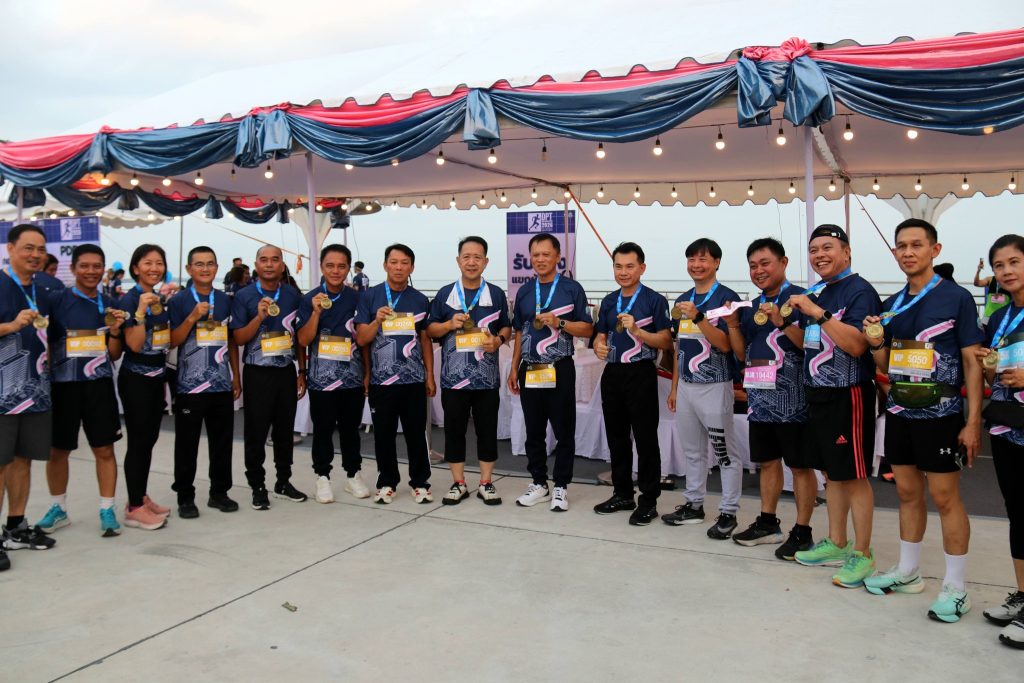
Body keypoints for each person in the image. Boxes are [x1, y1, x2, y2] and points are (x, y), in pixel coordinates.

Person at [860, 219, 983, 623]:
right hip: (899, 411)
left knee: (946, 498)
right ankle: (908, 571)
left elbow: (971, 361)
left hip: (941, 413)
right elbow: (885, 365)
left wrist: (973, 421)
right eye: (902, 246)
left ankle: (956, 587)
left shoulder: (957, 297)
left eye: (916, 244)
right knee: (907, 493)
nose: (908, 252)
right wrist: (876, 342)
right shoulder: (892, 303)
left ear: (935, 249)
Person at [788, 225, 881, 588]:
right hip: (817, 392)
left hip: (848, 393)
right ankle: (837, 541)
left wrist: (818, 312)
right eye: (813, 250)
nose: (819, 255)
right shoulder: (818, 290)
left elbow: (857, 345)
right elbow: (806, 342)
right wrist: (783, 322)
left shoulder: (860, 291)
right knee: (832, 471)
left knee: (854, 474)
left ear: (846, 252)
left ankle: (863, 552)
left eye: (828, 247)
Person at [725, 238, 818, 559]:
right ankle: (768, 522)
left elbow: (810, 346)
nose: (758, 270)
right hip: (759, 397)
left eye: (765, 263)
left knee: (800, 466)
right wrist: (733, 325)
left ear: (783, 263)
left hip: (794, 399)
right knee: (767, 461)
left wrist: (782, 320)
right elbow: (742, 353)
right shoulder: (751, 307)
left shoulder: (803, 299)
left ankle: (803, 531)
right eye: (753, 266)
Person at [37, 244, 128, 537]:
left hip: (99, 387)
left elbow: (114, 354)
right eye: (85, 266)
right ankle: (58, 508)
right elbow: (45, 342)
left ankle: (107, 509)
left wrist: (116, 331)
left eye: (96, 266)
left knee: (104, 449)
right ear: (74, 268)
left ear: (103, 269)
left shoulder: (110, 304)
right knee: (58, 451)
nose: (91, 271)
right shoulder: (56, 300)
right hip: (63, 387)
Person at [662, 238, 743, 539]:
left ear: (717, 263)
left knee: (724, 453)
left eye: (703, 259)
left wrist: (698, 316)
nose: (697, 265)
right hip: (686, 386)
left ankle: (729, 511)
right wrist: (674, 388)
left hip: (715, 385)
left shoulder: (726, 299)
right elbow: (679, 349)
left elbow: (726, 345)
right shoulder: (683, 298)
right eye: (692, 259)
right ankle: (693, 504)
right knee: (692, 451)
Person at [508, 234, 594, 511]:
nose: (540, 259)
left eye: (546, 254)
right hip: (530, 369)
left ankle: (560, 486)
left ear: (557, 256)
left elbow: (588, 328)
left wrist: (560, 322)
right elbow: (519, 332)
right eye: (536, 255)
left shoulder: (571, 289)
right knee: (534, 430)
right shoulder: (524, 291)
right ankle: (538, 483)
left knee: (563, 430)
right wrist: (514, 367)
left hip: (560, 367)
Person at [591, 242, 672, 525]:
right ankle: (622, 493)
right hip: (613, 373)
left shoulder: (654, 300)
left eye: (629, 266)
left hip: (641, 373)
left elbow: (666, 341)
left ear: (642, 268)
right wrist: (598, 345)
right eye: (618, 266)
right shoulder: (609, 301)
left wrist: (637, 330)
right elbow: (600, 335)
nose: (623, 272)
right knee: (616, 437)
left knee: (645, 438)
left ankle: (648, 501)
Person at [426, 236, 511, 506]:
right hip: (454, 379)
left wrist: (498, 341)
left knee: (487, 431)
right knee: (454, 431)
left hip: (486, 379)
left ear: (486, 262)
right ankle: (458, 483)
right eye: (466, 257)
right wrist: (449, 324)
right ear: (458, 260)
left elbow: (507, 326)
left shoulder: (495, 294)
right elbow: (430, 330)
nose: (471, 262)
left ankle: (486, 482)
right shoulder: (445, 294)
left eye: (477, 257)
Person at [354, 244, 435, 504]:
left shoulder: (420, 300)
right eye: (394, 262)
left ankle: (420, 482)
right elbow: (361, 339)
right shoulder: (370, 297)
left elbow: (425, 340)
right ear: (385, 265)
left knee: (416, 434)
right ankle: (387, 482)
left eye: (404, 262)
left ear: (412, 267)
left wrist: (429, 375)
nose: (399, 267)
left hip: (413, 380)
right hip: (382, 381)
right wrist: (376, 321)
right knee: (384, 434)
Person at [230, 245, 308, 510]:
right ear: (256, 265)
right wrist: (259, 317)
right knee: (256, 432)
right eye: (264, 260)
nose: (269, 264)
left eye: (275, 260)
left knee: (285, 432)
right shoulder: (244, 296)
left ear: (282, 265)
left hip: (285, 371)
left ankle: (283, 481)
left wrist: (301, 371)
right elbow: (238, 338)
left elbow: (299, 337)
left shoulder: (292, 295)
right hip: (257, 372)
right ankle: (257, 486)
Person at [0, 224, 58, 568]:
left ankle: (16, 526)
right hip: (2, 394)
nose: (35, 255)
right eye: (28, 248)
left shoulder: (44, 289)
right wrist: (10, 326)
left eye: (40, 249)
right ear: (10, 248)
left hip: (35, 391)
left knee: (23, 460)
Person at [168, 246, 241, 518]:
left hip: (220, 383)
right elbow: (172, 341)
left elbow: (230, 340)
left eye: (210, 263)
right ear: (189, 269)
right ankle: (185, 496)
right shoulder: (179, 301)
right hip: (190, 385)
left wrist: (235, 376)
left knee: (221, 442)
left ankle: (219, 492)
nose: (205, 268)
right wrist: (192, 317)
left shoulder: (225, 300)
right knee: (186, 443)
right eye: (199, 264)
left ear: (217, 268)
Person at [976, 234, 1024, 648]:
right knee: (1017, 513)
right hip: (1008, 426)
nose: (1006, 271)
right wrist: (989, 367)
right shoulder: (999, 317)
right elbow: (994, 373)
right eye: (999, 265)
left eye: (1014, 262)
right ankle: (1023, 595)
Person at [297, 244, 371, 504]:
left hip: (352, 377)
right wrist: (316, 313)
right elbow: (303, 340)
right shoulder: (309, 299)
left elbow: (363, 340)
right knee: (323, 429)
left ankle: (353, 475)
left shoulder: (358, 298)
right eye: (330, 265)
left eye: (341, 266)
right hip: (321, 380)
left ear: (349, 268)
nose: (335, 271)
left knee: (351, 430)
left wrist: (367, 372)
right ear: (321, 267)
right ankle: (322, 477)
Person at [116, 244, 173, 530]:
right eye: (148, 263)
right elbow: (135, 345)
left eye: (159, 263)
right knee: (138, 443)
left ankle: (140, 496)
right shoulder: (130, 300)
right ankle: (134, 509)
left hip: (156, 378)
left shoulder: (158, 299)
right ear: (135, 267)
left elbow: (164, 340)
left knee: (148, 440)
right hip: (135, 379)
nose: (154, 268)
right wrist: (139, 311)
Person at [976, 256, 1010, 322]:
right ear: (993, 269)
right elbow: (977, 283)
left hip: (1004, 315)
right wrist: (978, 271)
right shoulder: (990, 279)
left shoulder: (1010, 280)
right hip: (988, 315)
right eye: (996, 267)